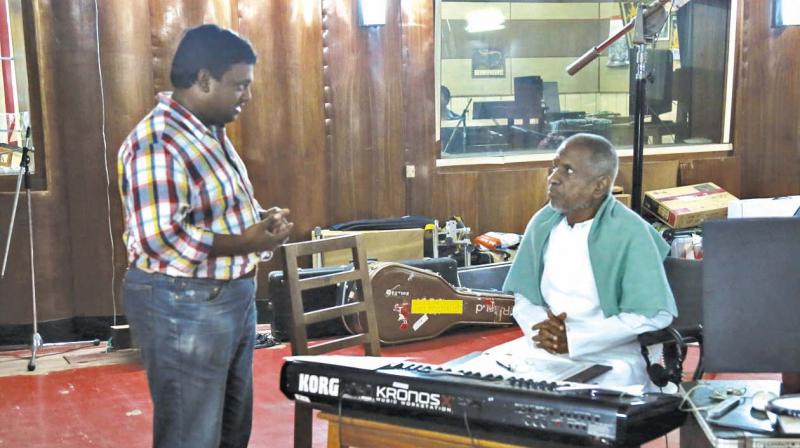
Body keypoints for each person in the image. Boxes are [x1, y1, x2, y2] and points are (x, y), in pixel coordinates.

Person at [117, 24, 292, 448]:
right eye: (240, 85)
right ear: (203, 80)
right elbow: (162, 238)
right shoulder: (159, 141)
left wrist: (259, 221)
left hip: (228, 297)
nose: (246, 97)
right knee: (191, 434)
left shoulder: (208, 131)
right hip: (182, 302)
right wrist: (249, 241)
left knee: (231, 429)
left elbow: (214, 211)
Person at [502, 133, 677, 390]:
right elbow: (523, 296)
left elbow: (654, 315)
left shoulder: (630, 232)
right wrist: (543, 331)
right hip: (544, 350)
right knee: (492, 382)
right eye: (554, 167)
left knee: (588, 396)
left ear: (599, 185)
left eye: (568, 171)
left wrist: (575, 339)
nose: (553, 178)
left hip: (612, 357)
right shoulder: (543, 223)